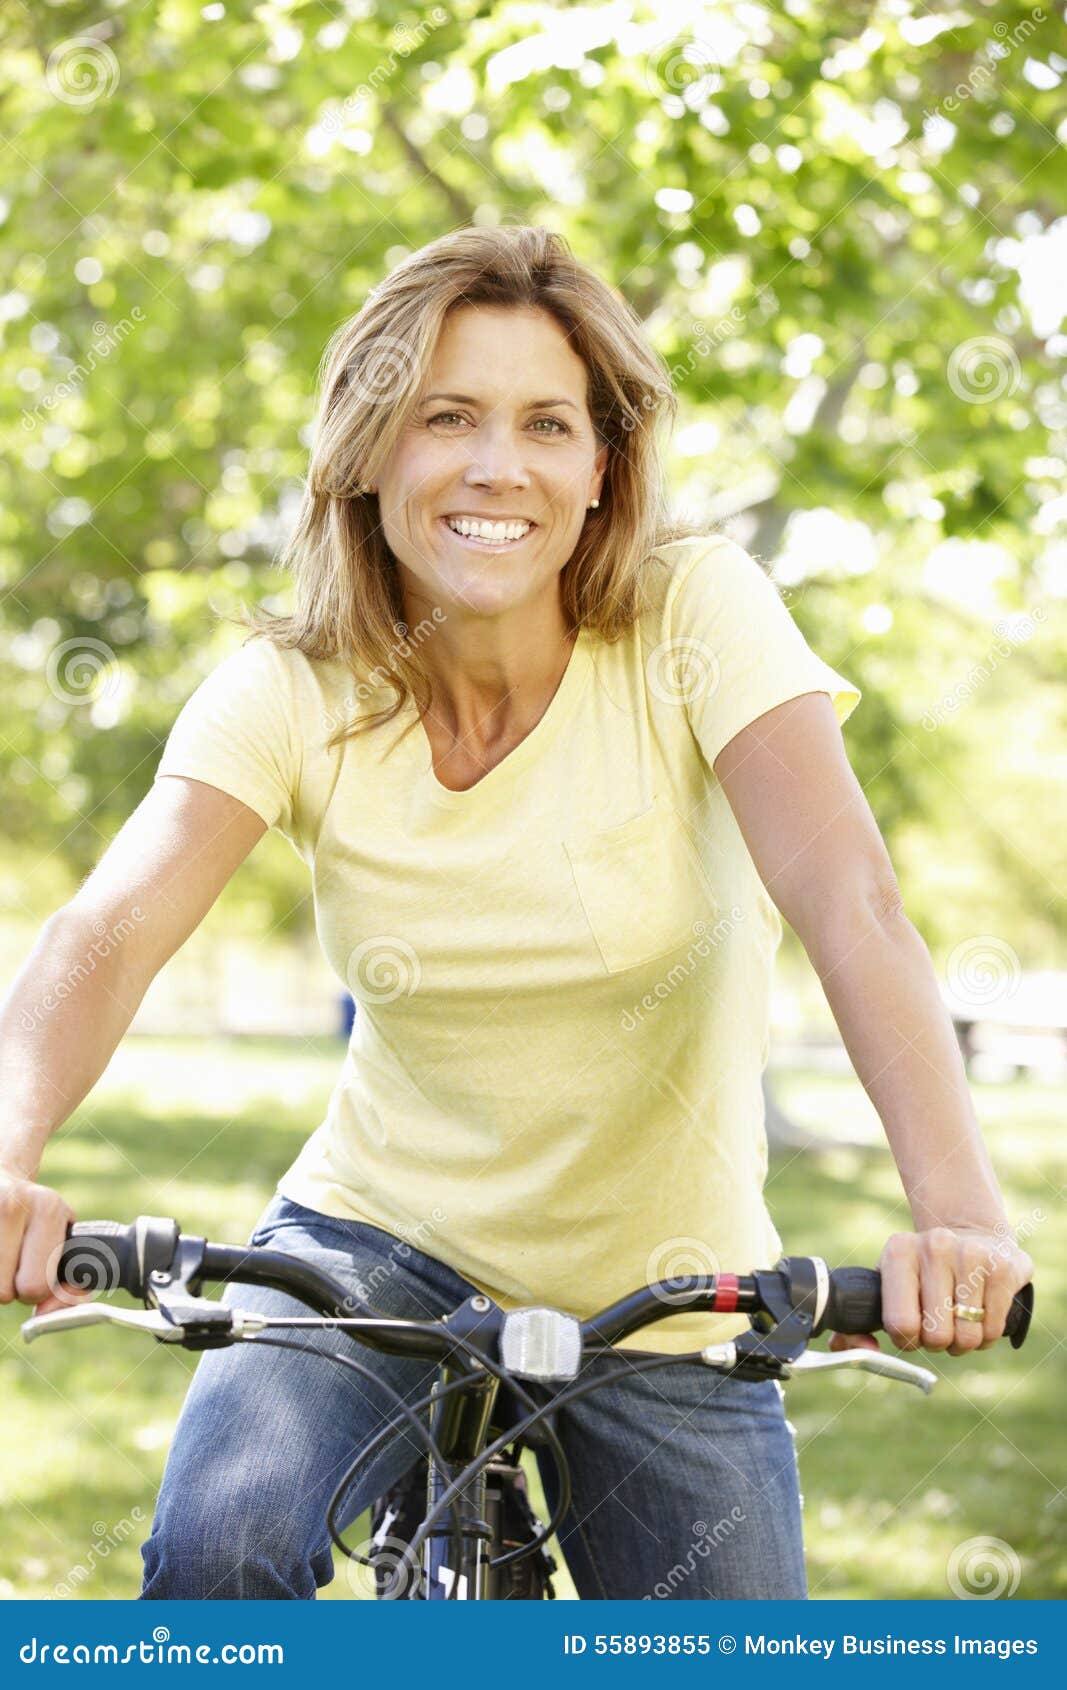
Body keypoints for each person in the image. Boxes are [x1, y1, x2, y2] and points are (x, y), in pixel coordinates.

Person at [0, 225, 1032, 1601]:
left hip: (673, 1285)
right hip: (368, 1242)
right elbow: (105, 933)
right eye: (448, 418)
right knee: (219, 1547)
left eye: (549, 423)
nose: (500, 467)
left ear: (602, 467)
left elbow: (849, 898)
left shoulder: (694, 617)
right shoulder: (297, 687)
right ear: (371, 451)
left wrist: (958, 1213)